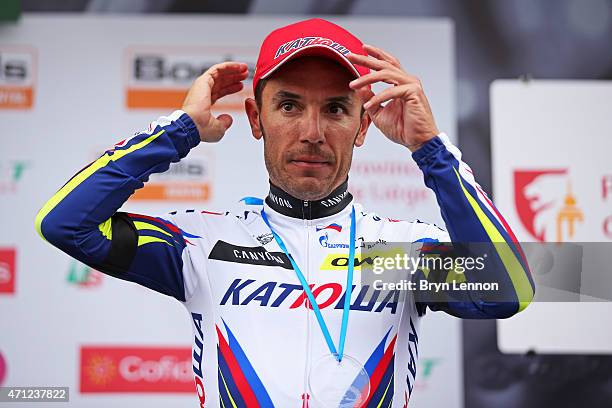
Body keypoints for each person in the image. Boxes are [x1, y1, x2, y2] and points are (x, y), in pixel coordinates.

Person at [35, 18, 534, 408]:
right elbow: (64, 223)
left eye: (336, 109)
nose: (312, 131)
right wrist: (179, 131)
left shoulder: (396, 254)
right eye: (290, 106)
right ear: (257, 118)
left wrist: (431, 150)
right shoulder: (204, 244)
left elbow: (510, 288)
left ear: (363, 127)